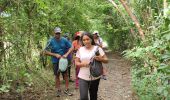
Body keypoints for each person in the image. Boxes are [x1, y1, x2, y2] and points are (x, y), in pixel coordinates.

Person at [75, 32, 108, 100]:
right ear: (82, 41)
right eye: (84, 40)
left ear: (91, 39)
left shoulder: (97, 48)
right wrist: (82, 64)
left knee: (93, 96)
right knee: (83, 97)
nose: (86, 41)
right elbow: (76, 62)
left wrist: (100, 59)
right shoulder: (80, 50)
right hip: (82, 77)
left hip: (95, 77)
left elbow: (106, 60)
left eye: (87, 39)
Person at [44, 27, 73, 97]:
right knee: (57, 75)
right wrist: (54, 54)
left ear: (60, 33)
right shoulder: (50, 41)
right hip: (55, 61)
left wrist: (66, 54)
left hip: (63, 60)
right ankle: (58, 90)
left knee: (65, 75)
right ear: (54, 33)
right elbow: (45, 51)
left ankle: (67, 89)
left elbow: (72, 47)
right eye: (56, 33)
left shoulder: (64, 40)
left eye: (59, 33)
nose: (58, 35)